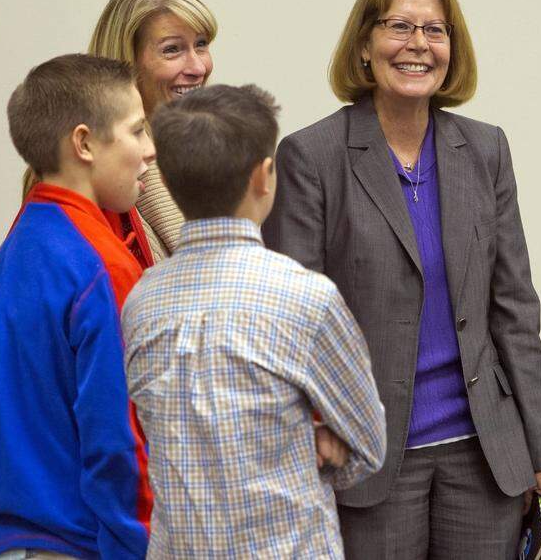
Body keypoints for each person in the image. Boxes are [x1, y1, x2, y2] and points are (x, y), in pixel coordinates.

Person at [263, 0, 541, 559]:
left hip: (484, 456)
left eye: (436, 30)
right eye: (400, 27)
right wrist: (311, 441)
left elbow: (514, 310)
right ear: (366, 45)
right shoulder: (311, 156)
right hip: (368, 456)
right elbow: (291, 326)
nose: (419, 45)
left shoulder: (485, 148)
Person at [122, 84, 386, 558]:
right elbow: (367, 445)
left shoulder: (142, 300)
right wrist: (312, 450)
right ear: (265, 176)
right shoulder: (306, 297)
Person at [0, 55, 154, 559]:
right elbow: (119, 437)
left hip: (5, 540)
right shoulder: (103, 266)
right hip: (75, 540)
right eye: (137, 131)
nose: (150, 151)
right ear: (85, 143)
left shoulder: (10, 251)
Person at [21, 0, 217, 260]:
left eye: (201, 44)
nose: (198, 67)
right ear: (128, 63)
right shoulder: (80, 170)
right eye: (172, 49)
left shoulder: (209, 158)